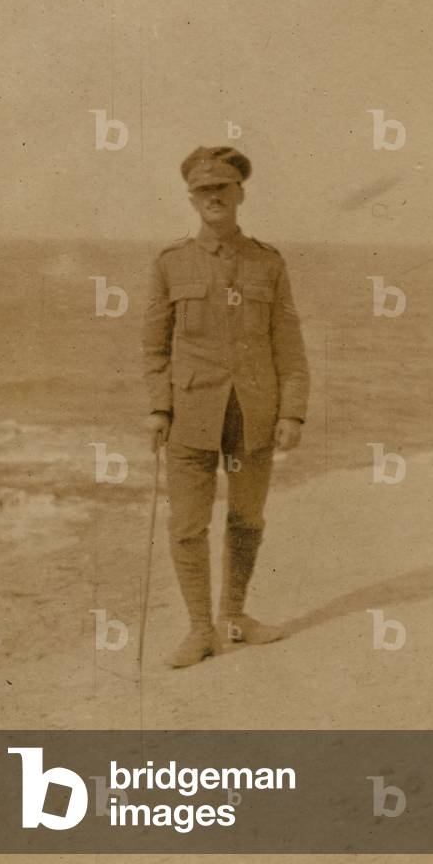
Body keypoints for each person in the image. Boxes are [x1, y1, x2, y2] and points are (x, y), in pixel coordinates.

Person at [142, 146, 310, 668]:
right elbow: (154, 348)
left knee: (247, 518)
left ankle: (235, 617)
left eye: (223, 189)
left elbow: (289, 343)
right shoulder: (171, 263)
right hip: (192, 412)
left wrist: (292, 412)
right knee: (187, 525)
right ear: (191, 199)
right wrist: (158, 409)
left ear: (240, 194)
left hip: (253, 413)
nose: (213, 198)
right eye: (203, 191)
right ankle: (200, 631)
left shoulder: (268, 261)